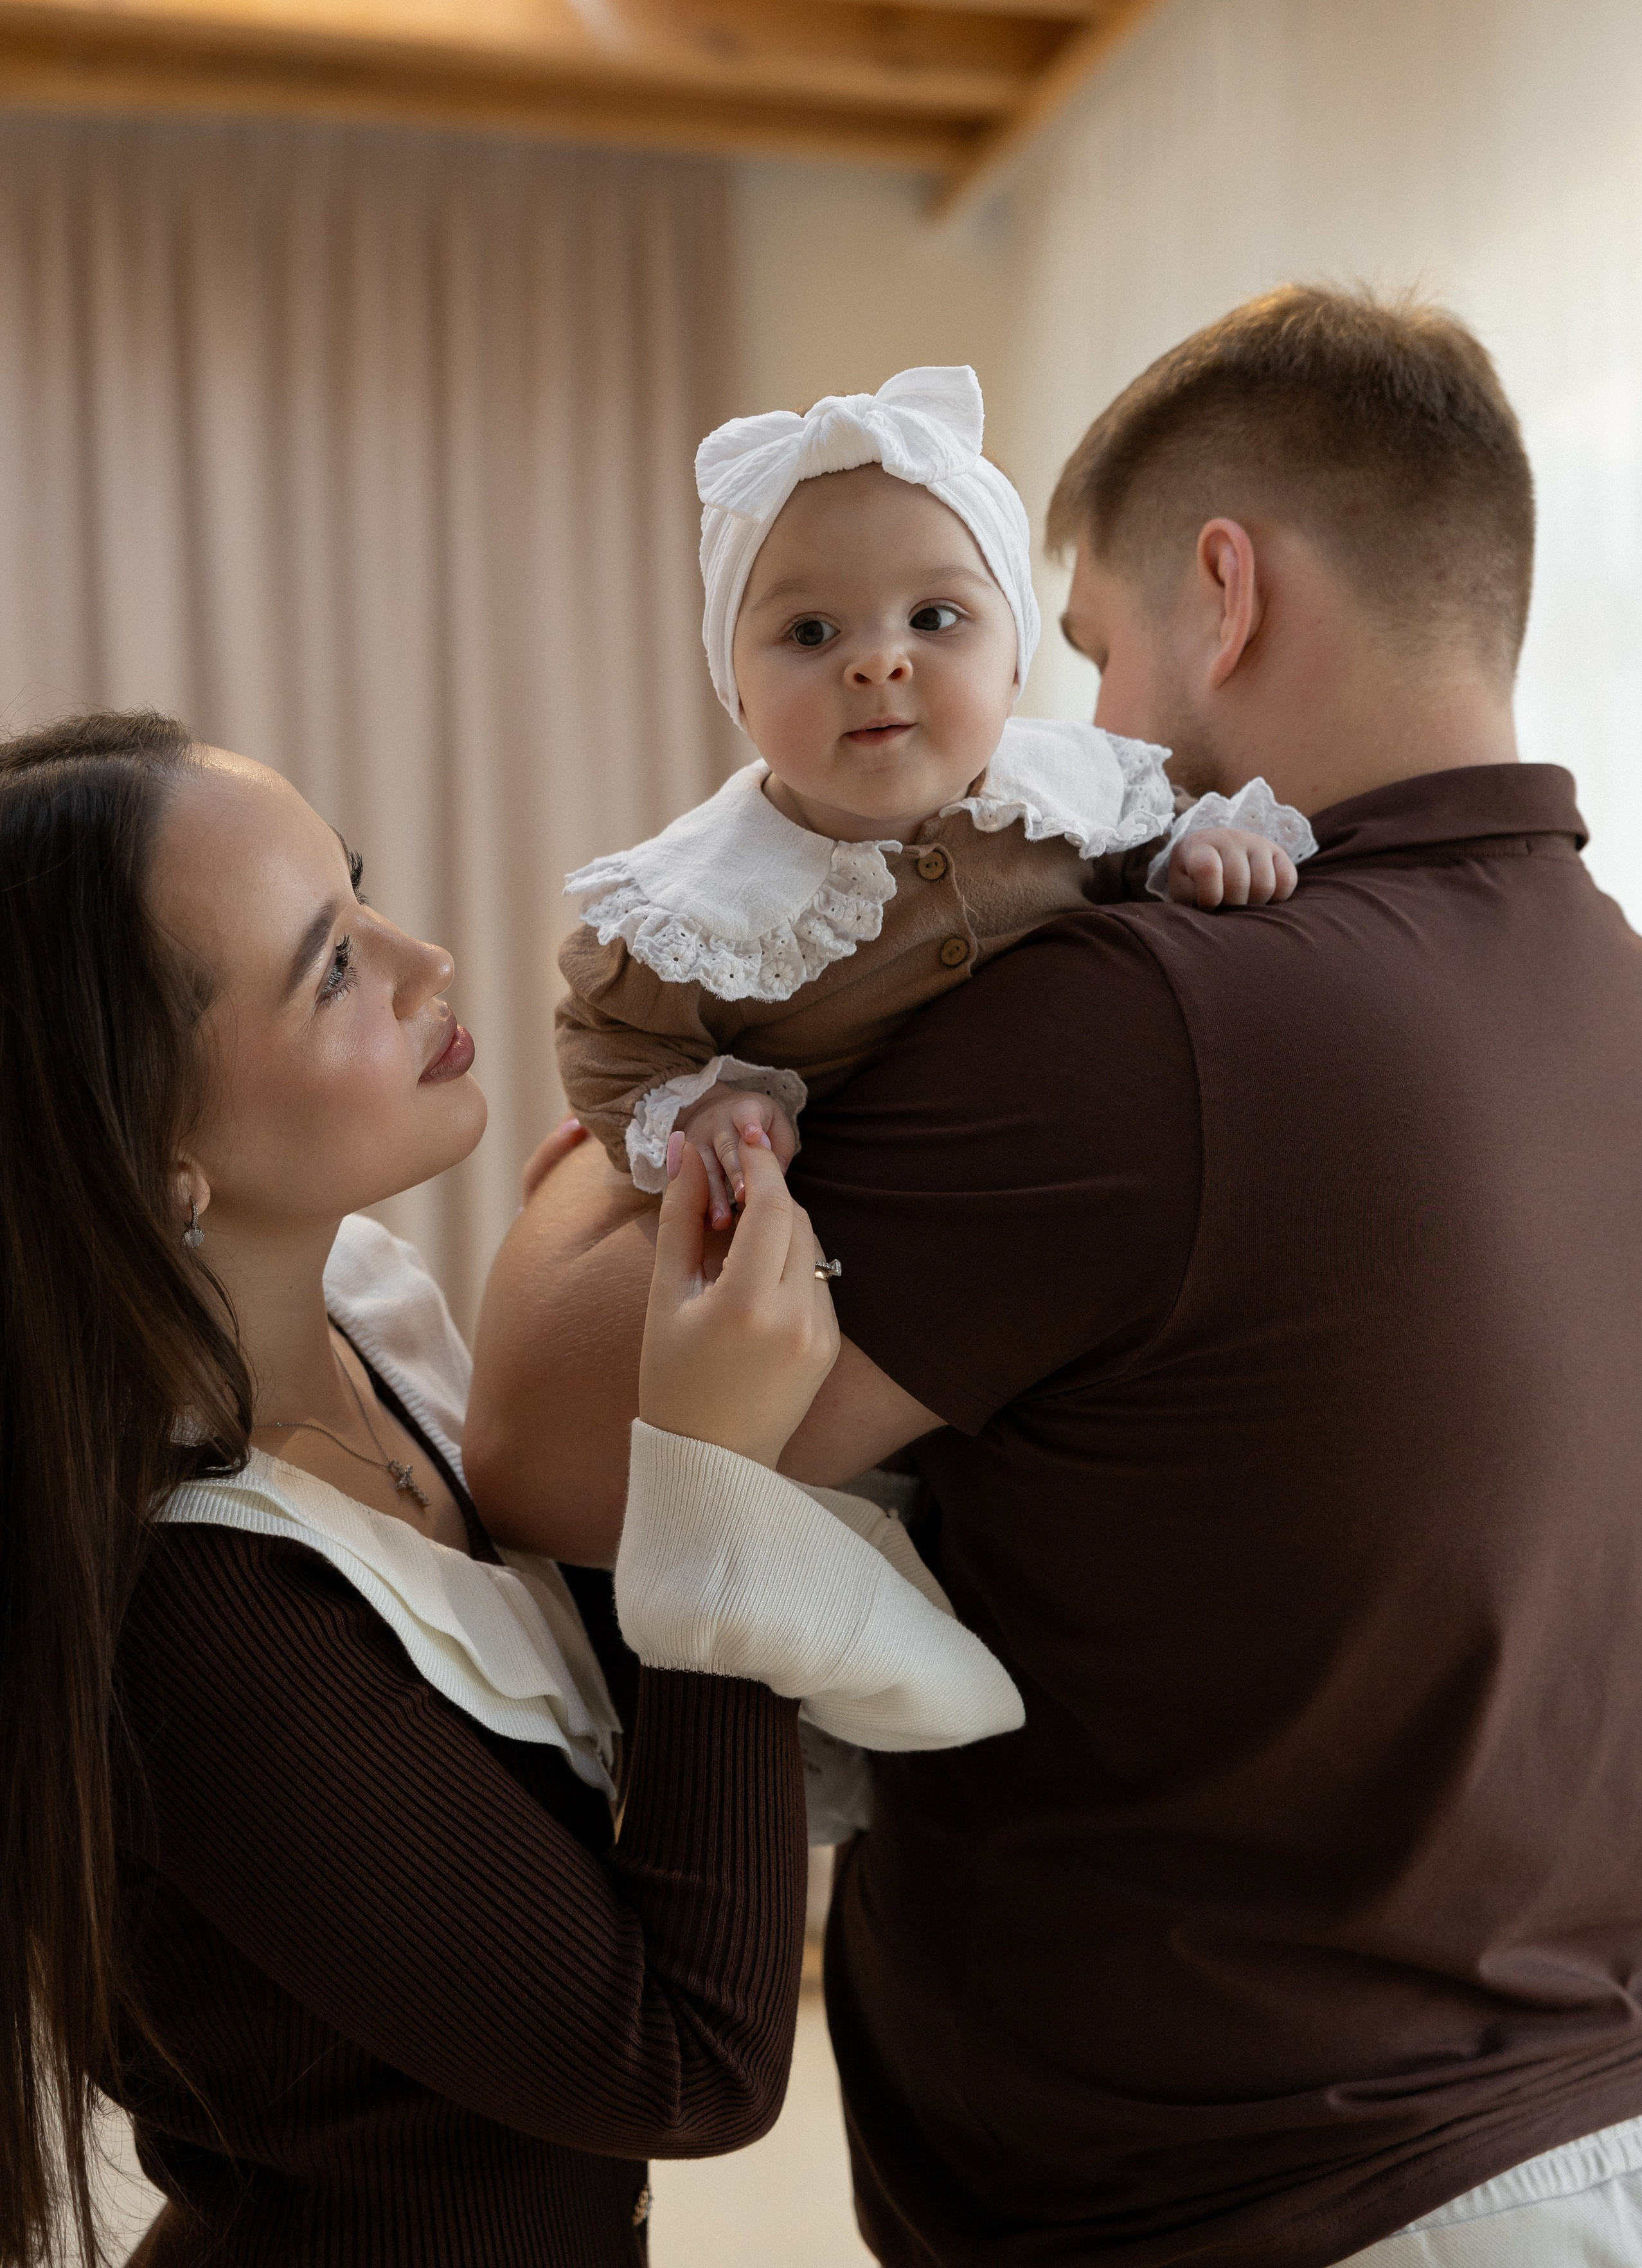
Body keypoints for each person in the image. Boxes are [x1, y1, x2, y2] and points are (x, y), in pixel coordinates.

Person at [466, 286, 1642, 2266]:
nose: (1075, 722)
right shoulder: (1611, 988)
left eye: (1080, 647)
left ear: (1225, 592)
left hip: (1263, 2204)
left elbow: (552, 1434)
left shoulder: (1154, 1021)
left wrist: (682, 1083)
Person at [0, 708, 1020, 2268]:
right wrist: (711, 1474)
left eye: (357, 894)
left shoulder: (362, 1326)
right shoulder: (197, 1616)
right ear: (155, 1161)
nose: (427, 962)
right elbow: (688, 2064)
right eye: (331, 968)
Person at [556, 364, 1311, 1229]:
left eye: (935, 618)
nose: (879, 663)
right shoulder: (699, 898)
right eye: (810, 631)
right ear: (735, 686)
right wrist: (698, 1111)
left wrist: (1197, 854)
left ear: (1017, 661)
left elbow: (1144, 838)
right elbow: (608, 1039)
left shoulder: (1073, 788)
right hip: (861, 1246)